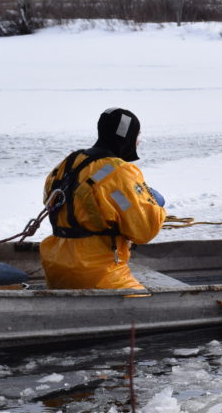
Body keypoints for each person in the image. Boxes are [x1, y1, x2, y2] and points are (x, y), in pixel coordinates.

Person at [40, 107, 167, 290]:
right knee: (146, 303)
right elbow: (144, 231)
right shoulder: (120, 171)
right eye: (137, 135)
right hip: (99, 275)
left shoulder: (70, 161)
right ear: (126, 136)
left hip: (57, 268)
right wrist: (155, 206)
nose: (138, 141)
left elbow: (52, 199)